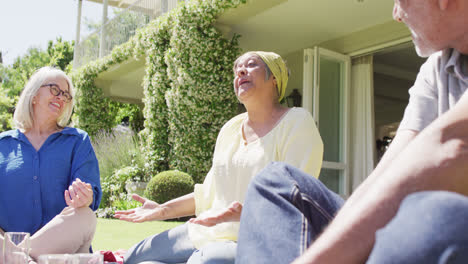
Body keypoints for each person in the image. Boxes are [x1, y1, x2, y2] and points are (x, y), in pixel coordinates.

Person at [235, 0, 468, 263]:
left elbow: (450, 149)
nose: (396, 14)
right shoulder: (436, 69)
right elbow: (390, 171)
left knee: (437, 215)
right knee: (276, 180)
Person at [114, 51, 324, 264]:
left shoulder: (297, 122)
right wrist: (162, 210)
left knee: (205, 261)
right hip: (208, 231)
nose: (241, 71)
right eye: (237, 69)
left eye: (251, 65)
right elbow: (209, 193)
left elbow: (297, 199)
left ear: (275, 79)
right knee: (134, 257)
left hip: (257, 241)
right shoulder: (230, 129)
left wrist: (248, 214)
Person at [0, 67, 102, 263]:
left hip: (63, 250)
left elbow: (91, 193)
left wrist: (86, 196)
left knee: (84, 216)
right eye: (55, 90)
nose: (61, 98)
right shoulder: (3, 145)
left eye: (66, 95)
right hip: (6, 241)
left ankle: (17, 259)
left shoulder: (77, 140)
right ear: (34, 95)